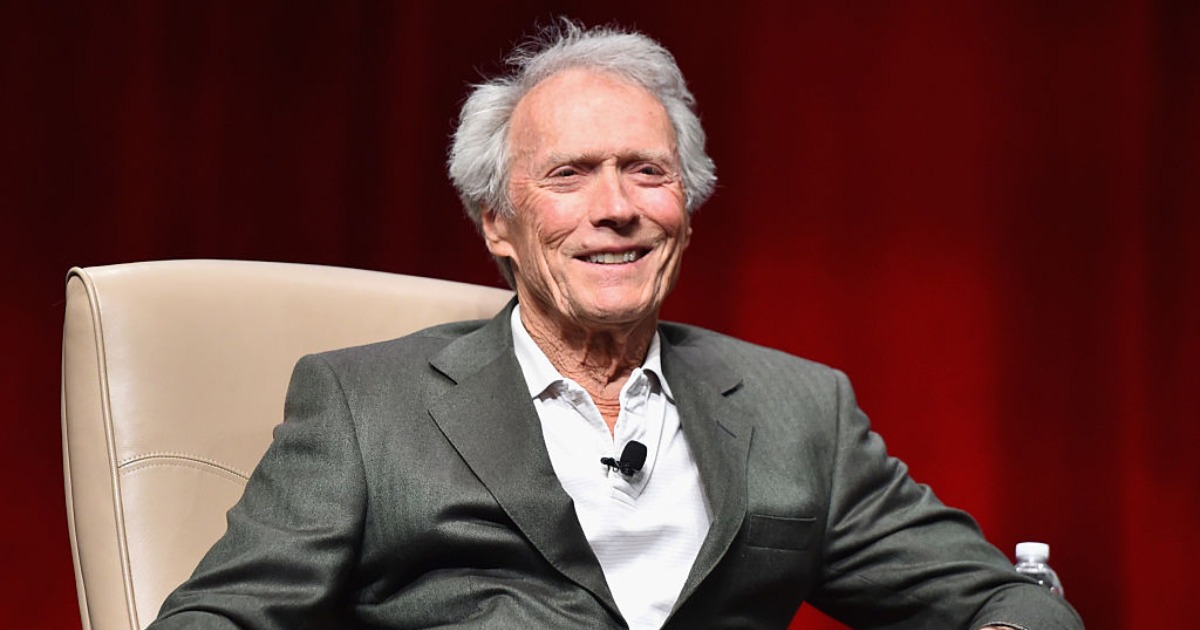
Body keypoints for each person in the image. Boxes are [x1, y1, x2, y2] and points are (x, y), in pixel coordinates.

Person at [150, 21, 1084, 630]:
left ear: (687, 208)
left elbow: (999, 599)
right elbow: (219, 618)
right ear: (497, 223)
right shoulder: (364, 405)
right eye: (569, 175)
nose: (617, 209)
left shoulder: (801, 409)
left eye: (647, 171)